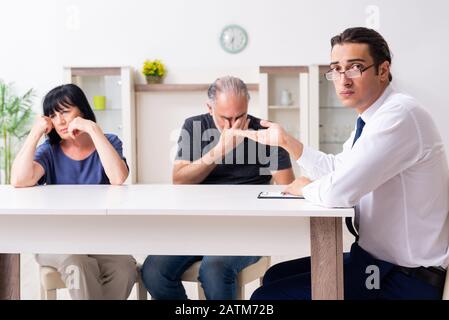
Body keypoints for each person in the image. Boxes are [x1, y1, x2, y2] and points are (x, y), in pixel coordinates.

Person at [235, 27, 449, 300]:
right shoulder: (373, 117)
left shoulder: (399, 116)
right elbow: (339, 169)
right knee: (276, 275)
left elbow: (338, 192)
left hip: (402, 278)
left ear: (383, 71)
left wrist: (304, 188)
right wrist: (288, 142)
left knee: (267, 297)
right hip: (375, 264)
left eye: (355, 68)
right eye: (336, 69)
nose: (343, 79)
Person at [141, 76, 295, 300]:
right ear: (209, 107)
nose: (233, 125)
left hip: (247, 227)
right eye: (225, 118)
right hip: (198, 223)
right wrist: (219, 150)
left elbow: (287, 188)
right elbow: (180, 179)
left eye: (239, 116)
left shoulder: (263, 131)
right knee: (154, 271)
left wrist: (280, 145)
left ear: (248, 108)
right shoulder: (194, 126)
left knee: (214, 270)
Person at [11, 84, 137, 300]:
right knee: (77, 263)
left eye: (65, 111)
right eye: (53, 115)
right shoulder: (50, 151)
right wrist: (35, 133)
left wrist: (93, 129)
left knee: (125, 267)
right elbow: (20, 180)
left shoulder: (109, 142)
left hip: (98, 238)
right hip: (55, 240)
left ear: (82, 111)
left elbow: (118, 177)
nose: (59, 120)